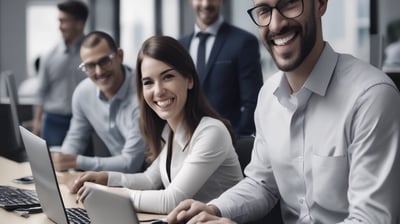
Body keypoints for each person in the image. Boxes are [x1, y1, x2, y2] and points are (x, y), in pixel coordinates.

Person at [167, 0, 400, 223]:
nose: (276, 25)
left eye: (290, 3)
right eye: (264, 11)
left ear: (320, 3)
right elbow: (262, 184)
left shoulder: (370, 96)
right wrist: (214, 208)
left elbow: (371, 219)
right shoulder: (268, 96)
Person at [70, 35, 243, 214]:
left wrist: (108, 194)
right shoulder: (170, 131)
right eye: (148, 82)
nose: (158, 91)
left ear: (189, 80)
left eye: (167, 77)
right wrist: (106, 179)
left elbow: (171, 200)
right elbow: (149, 180)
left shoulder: (211, 132)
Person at [50, 31, 146, 173]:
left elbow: (131, 163)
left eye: (104, 61)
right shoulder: (83, 93)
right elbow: (75, 138)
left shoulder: (143, 94)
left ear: (120, 56)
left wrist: (76, 161)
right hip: (117, 179)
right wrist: (62, 161)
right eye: (90, 66)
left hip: (154, 183)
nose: (99, 71)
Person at [179, 0, 263, 137]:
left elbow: (253, 101)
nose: (206, 4)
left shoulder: (243, 42)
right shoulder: (179, 46)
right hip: (187, 143)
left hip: (230, 144)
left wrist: (236, 140)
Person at [33, 0, 88, 147]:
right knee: (53, 166)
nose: (60, 26)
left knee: (82, 167)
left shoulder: (92, 55)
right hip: (54, 121)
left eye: (64, 21)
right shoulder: (49, 56)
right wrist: (37, 122)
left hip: (85, 121)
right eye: (59, 21)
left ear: (79, 23)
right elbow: (41, 92)